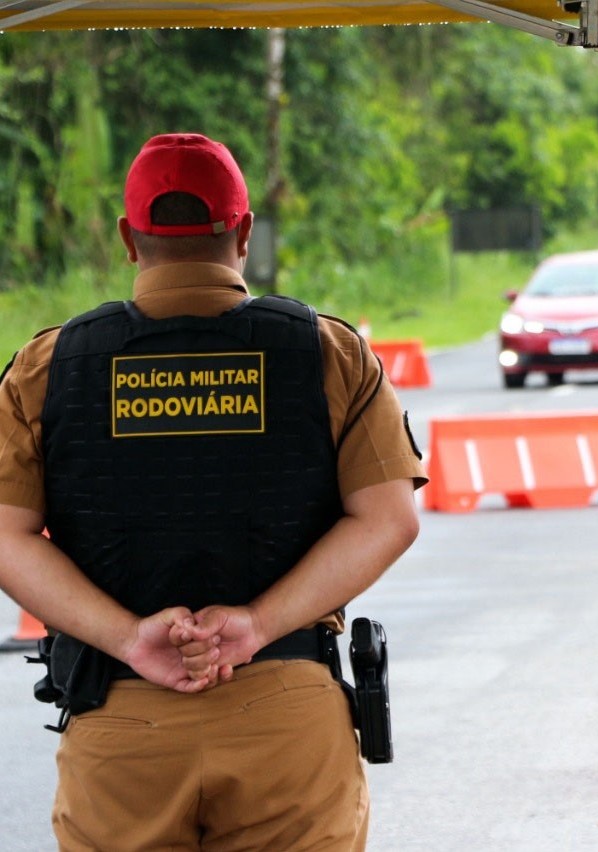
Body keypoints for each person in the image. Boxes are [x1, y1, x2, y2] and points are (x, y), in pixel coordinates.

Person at [0, 132, 427, 851]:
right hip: (288, 717)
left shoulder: (48, 368)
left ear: (128, 239)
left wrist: (129, 639)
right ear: (244, 232)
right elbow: (389, 520)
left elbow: (7, 534)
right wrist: (256, 624)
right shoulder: (331, 352)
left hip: (122, 725)